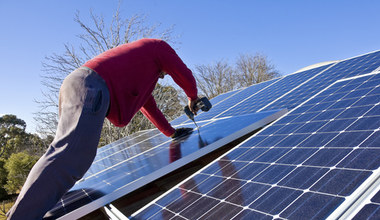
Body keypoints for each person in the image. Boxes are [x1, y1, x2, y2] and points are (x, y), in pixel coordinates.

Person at [7, 38, 199, 219]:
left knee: (70, 154)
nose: (164, 77)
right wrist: (193, 96)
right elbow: (182, 72)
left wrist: (171, 132)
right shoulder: (159, 47)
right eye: (164, 74)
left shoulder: (143, 71)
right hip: (90, 85)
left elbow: (148, 106)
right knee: (71, 155)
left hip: (81, 83)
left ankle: (31, 209)